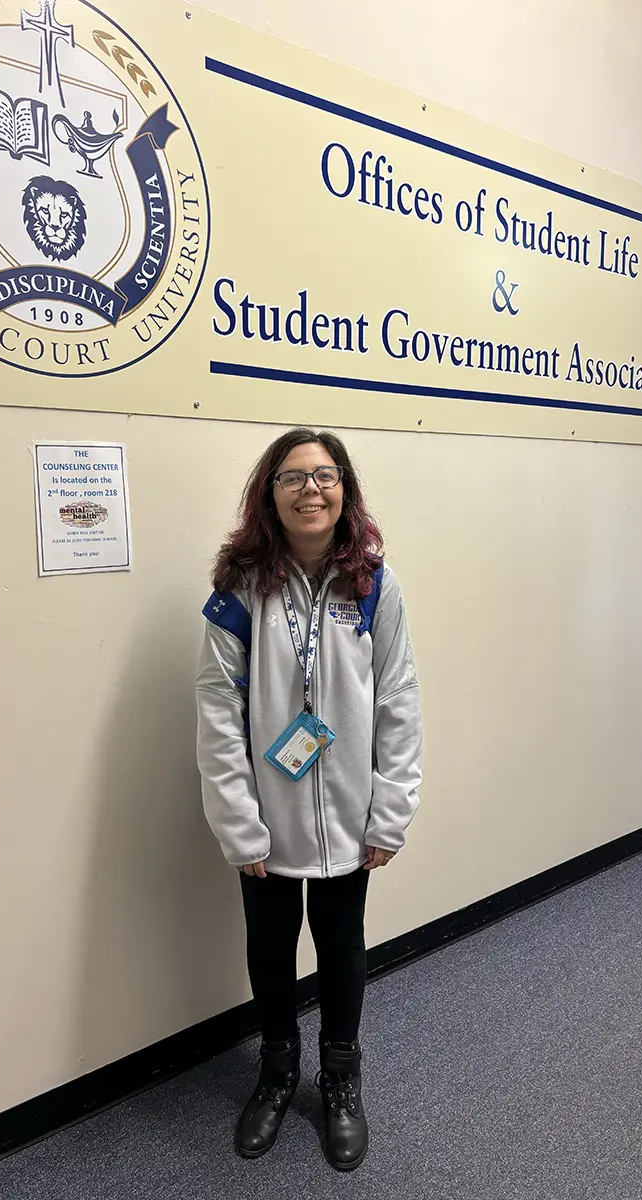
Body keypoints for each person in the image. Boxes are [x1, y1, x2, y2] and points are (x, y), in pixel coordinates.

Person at [196, 427, 422, 1172]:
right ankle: (277, 1071)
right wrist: (238, 822)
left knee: (341, 943)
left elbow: (399, 700)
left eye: (324, 476)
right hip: (266, 815)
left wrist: (390, 809)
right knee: (269, 945)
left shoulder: (374, 586)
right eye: (293, 478)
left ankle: (342, 1080)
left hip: (351, 815)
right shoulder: (239, 588)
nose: (311, 490)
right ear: (271, 494)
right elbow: (216, 711)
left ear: (345, 490)